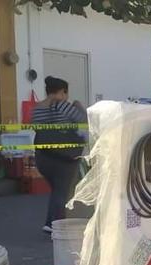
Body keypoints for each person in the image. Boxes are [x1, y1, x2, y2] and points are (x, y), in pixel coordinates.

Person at [32, 76, 88, 233]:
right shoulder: (63, 106)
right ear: (62, 92)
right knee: (62, 192)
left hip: (43, 157)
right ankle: (56, 225)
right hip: (64, 156)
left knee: (57, 190)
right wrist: (78, 106)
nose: (67, 97)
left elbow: (36, 129)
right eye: (66, 93)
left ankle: (50, 222)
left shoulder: (38, 108)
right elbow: (85, 120)